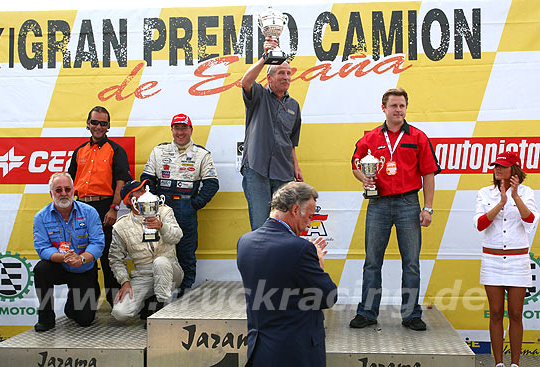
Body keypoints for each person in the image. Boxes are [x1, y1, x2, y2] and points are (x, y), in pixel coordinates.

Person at [349, 88, 441, 331]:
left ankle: (411, 314)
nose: (398, 110)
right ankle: (367, 312)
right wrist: (364, 179)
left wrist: (428, 208)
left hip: (408, 204)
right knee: (372, 262)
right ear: (384, 109)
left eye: (402, 106)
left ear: (406, 108)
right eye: (393, 106)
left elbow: (428, 174)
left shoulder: (419, 137)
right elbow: (356, 165)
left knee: (411, 262)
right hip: (377, 203)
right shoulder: (370, 138)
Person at [237, 182, 338, 367]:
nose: (308, 224)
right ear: (294, 209)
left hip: (258, 351)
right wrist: (318, 264)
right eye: (308, 217)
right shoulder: (301, 249)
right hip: (295, 354)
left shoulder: (245, 242)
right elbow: (328, 297)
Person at [141, 113, 218, 295]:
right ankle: (159, 290)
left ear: (191, 130)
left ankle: (186, 288)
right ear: (172, 130)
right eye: (177, 128)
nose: (180, 132)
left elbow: (212, 183)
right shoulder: (159, 151)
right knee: (160, 248)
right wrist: (155, 203)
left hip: (186, 207)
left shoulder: (202, 154)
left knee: (186, 249)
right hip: (163, 208)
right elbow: (146, 179)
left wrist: (195, 204)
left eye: (184, 128)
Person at [474, 151, 538, 367]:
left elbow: (530, 220)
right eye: (495, 166)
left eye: (502, 166)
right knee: (495, 312)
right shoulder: (485, 193)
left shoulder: (528, 192)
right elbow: (480, 224)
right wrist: (501, 202)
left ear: (515, 170)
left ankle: (516, 363)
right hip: (492, 259)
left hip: (518, 260)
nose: (497, 169)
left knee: (516, 313)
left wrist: (515, 196)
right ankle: (499, 363)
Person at [68, 106, 132, 307]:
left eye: (103, 123)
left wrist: (114, 207)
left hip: (105, 207)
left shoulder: (116, 150)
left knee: (107, 256)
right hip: (80, 208)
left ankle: (117, 306)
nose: (98, 127)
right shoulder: (79, 151)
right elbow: (70, 181)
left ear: (108, 126)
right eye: (94, 122)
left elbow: (122, 180)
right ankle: (87, 304)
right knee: (82, 254)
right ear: (88, 124)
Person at [240, 37, 303, 231]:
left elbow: (291, 141)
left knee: (284, 226)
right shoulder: (258, 94)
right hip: (256, 169)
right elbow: (245, 81)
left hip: (284, 173)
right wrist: (264, 59)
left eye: (288, 73)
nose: (286, 77)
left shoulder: (294, 106)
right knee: (260, 226)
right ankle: (260, 262)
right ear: (269, 78)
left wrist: (296, 167)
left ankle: (280, 262)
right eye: (281, 73)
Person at [33, 172, 104, 332]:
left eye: (67, 189)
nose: (63, 194)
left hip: (83, 268)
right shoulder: (41, 217)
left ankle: (74, 303)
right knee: (41, 270)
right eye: (58, 190)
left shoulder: (89, 212)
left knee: (84, 320)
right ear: (51, 193)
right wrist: (63, 257)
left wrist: (81, 259)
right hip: (59, 265)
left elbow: (98, 244)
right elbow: (42, 248)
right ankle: (46, 318)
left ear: (73, 191)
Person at [109, 179, 184, 321]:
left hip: (170, 268)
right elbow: (115, 258)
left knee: (160, 262)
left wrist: (162, 226)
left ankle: (162, 310)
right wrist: (124, 281)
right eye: (138, 191)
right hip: (143, 275)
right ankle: (146, 304)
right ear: (130, 201)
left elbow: (177, 237)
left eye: (144, 188)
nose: (144, 192)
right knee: (120, 313)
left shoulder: (164, 211)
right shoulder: (121, 226)